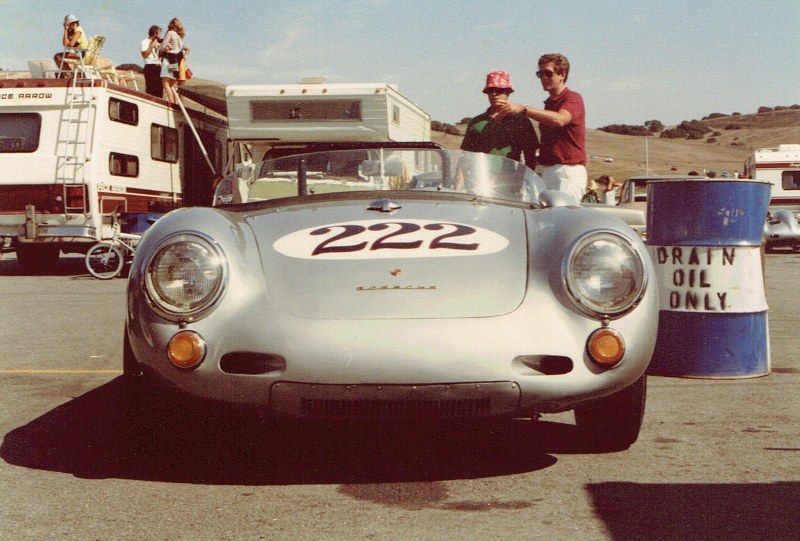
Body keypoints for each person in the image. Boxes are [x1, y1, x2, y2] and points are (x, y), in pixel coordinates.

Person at [496, 53, 586, 203]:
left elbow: (560, 119)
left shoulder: (573, 98)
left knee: (560, 216)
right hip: (549, 171)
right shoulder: (549, 104)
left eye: (548, 73)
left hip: (567, 172)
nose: (543, 78)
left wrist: (524, 109)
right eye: (540, 73)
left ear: (562, 74)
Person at [460, 70, 539, 170]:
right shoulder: (476, 123)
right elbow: (465, 158)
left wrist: (521, 179)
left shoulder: (521, 121)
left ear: (508, 92)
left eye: (498, 90)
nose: (494, 94)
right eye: (490, 91)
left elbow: (530, 157)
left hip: (511, 180)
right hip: (481, 179)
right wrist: (458, 184)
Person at [160, 18, 189, 103]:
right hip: (174, 61)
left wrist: (163, 47)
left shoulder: (170, 33)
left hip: (167, 60)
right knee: (172, 84)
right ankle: (175, 103)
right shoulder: (179, 36)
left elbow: (163, 46)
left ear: (171, 24)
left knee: (165, 82)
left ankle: (171, 102)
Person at [140, 25, 162, 97]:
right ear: (155, 34)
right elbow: (145, 54)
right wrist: (152, 45)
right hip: (150, 66)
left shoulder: (158, 43)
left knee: (159, 91)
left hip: (158, 67)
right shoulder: (145, 42)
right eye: (159, 34)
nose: (160, 36)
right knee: (151, 89)